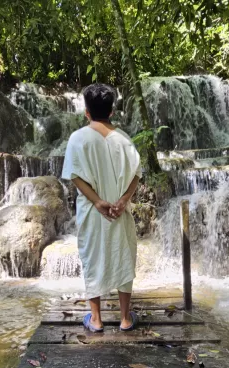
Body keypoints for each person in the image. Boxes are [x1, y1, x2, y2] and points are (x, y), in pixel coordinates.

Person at [61, 83, 141, 332]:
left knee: (92, 257)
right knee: (124, 256)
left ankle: (96, 320)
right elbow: (136, 174)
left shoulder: (78, 138)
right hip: (119, 210)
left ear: (86, 112)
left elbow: (75, 175)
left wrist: (97, 201)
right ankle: (125, 318)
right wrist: (123, 200)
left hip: (93, 211)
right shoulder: (125, 140)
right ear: (112, 112)